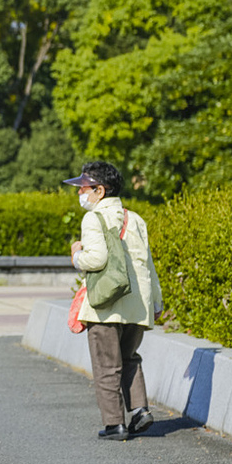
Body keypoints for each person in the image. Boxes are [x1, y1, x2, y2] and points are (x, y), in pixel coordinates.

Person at [64, 161, 164, 441]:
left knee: (107, 365)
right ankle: (140, 410)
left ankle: (114, 425)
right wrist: (156, 302)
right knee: (130, 358)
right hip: (138, 304)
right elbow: (149, 265)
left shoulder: (94, 218)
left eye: (83, 188)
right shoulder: (136, 219)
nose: (80, 193)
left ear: (99, 190)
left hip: (106, 306)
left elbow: (96, 260)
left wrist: (75, 256)